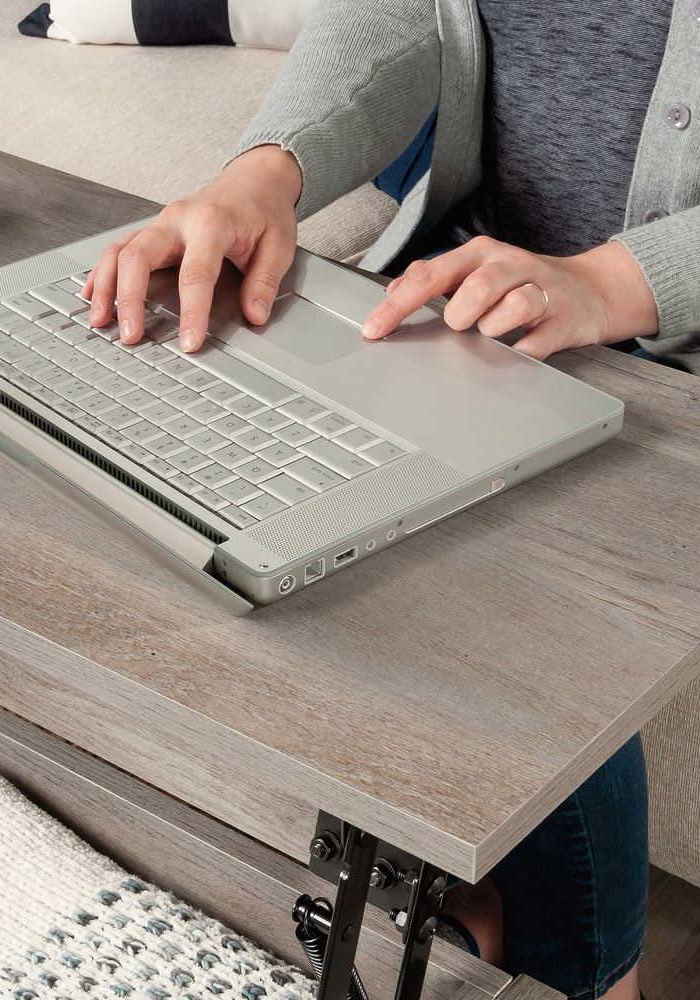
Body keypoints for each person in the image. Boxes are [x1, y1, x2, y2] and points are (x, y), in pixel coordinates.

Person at [83, 2, 698, 997]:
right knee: (232, 462)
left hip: (664, 344)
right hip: (468, 283)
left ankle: (592, 977)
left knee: (530, 571)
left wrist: (612, 282)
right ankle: (455, 891)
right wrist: (263, 172)